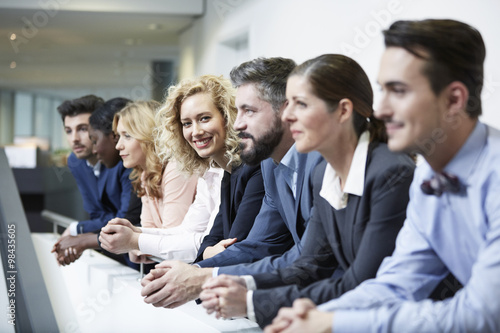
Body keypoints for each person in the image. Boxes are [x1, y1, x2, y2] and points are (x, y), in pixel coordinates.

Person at [265, 19, 500, 333]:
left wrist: (334, 323)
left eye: (398, 91)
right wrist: (316, 317)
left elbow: (480, 315)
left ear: (454, 100)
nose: (380, 109)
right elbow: (398, 281)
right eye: (382, 90)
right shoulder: (428, 173)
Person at [200, 54, 415, 327]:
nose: (288, 115)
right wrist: (235, 283)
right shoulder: (322, 174)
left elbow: (360, 282)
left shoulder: (390, 172)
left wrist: (252, 302)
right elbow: (310, 264)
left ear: (343, 111)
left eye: (300, 105)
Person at [139, 57, 323, 309]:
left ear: (286, 110)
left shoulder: (318, 164)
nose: (238, 124)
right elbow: (260, 244)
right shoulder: (270, 166)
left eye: (249, 111)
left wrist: (202, 277)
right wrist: (194, 270)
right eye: (186, 123)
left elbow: (309, 258)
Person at [98, 75, 250, 263]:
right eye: (187, 123)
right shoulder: (210, 170)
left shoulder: (241, 170)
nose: (196, 131)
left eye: (204, 118)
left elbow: (216, 244)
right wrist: (136, 233)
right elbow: (193, 234)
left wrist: (135, 240)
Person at [99, 100, 199, 263]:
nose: (118, 146)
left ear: (149, 136)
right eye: (118, 137)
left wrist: (138, 244)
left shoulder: (176, 168)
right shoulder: (146, 174)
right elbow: (148, 235)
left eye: (127, 136)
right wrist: (139, 244)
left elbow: (172, 242)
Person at [52, 97, 142, 266]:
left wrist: (77, 231)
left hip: (136, 248)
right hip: (112, 248)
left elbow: (127, 217)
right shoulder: (75, 161)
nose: (75, 139)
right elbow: (96, 213)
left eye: (83, 129)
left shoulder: (125, 160)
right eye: (68, 131)